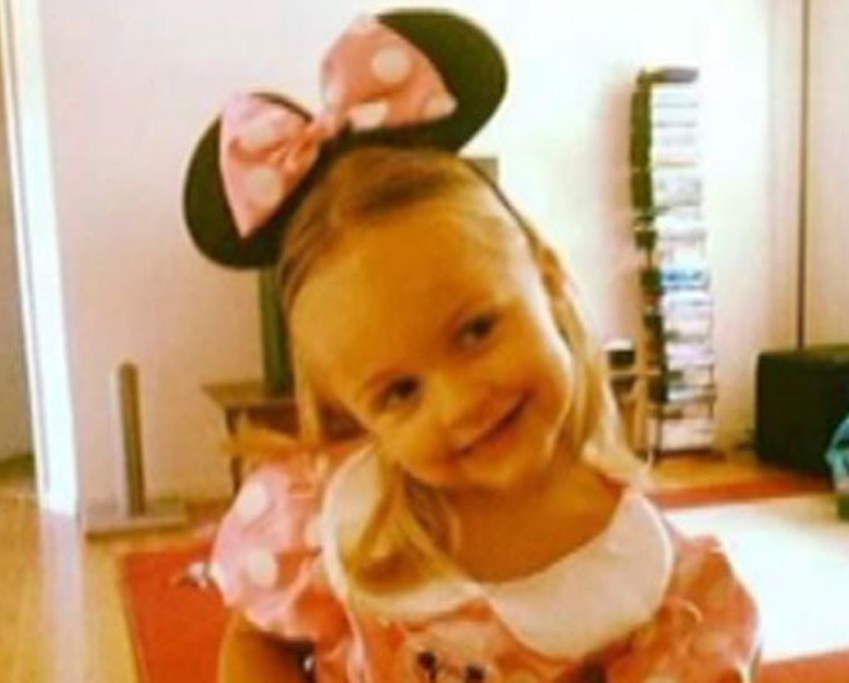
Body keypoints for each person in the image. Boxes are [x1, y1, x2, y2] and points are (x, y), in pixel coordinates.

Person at [183, 10, 759, 682]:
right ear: (355, 411)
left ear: (546, 277)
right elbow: (257, 641)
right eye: (400, 392)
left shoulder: (658, 583)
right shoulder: (330, 523)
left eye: (477, 330)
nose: (460, 402)